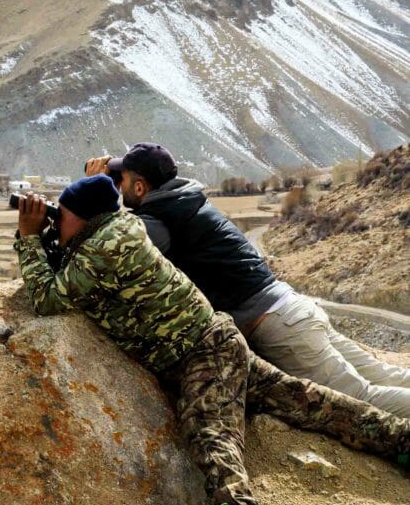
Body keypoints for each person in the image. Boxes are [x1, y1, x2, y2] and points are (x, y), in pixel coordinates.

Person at [14, 174, 409, 505]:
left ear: (82, 218)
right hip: (216, 339)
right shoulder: (116, 231)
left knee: (209, 429)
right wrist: (48, 234)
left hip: (202, 352)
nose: (53, 218)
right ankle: (399, 438)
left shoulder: (104, 248)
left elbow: (49, 300)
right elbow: (69, 276)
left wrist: (30, 238)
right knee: (305, 401)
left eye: (59, 213)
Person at [85, 145, 410, 419]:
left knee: (362, 398)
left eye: (121, 180)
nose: (117, 186)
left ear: (140, 187)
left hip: (282, 327)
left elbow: (107, 248)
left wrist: (93, 192)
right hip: (293, 309)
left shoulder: (159, 221)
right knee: (382, 374)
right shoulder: (185, 202)